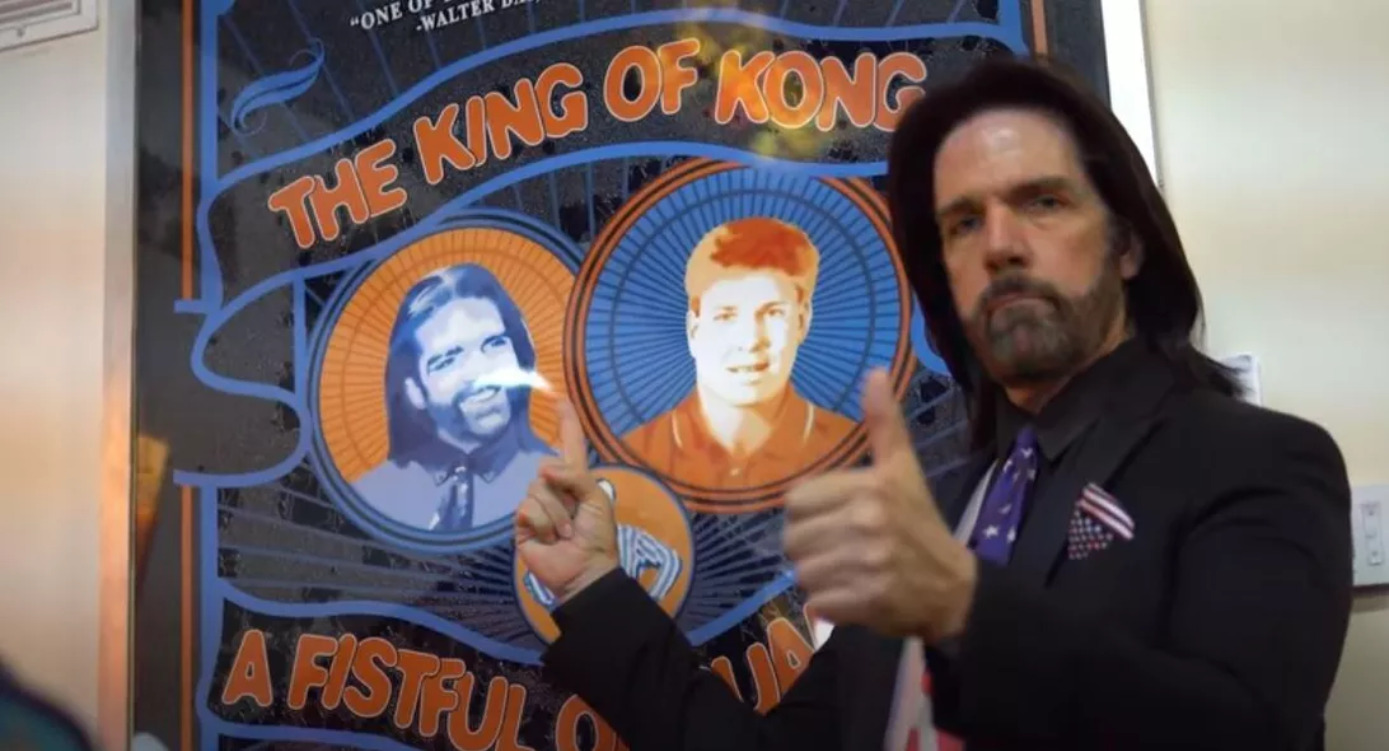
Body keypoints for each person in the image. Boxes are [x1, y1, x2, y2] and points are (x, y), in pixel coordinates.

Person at [512, 57, 1353, 751]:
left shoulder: (1255, 459)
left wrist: (963, 609)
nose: (999, 244)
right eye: (961, 224)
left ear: (1126, 241)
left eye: (1042, 201)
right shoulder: (937, 516)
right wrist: (592, 586)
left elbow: (1249, 730)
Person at [623, 216, 855, 490]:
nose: (750, 341)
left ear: (802, 322)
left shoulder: (854, 448)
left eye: (773, 313)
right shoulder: (632, 458)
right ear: (693, 329)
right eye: (726, 316)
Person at [353, 263, 554, 532]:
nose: (481, 371)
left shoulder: (562, 478)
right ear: (414, 390)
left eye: (494, 344)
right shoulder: (371, 499)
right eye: (448, 360)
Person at [522, 478, 683, 611]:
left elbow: (671, 560)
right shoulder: (564, 541)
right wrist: (556, 607)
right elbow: (532, 577)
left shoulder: (631, 537)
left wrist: (652, 598)